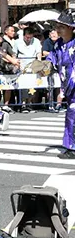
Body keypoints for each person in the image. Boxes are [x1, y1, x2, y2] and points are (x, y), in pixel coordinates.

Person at [49, 12, 75, 158]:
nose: (58, 30)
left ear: (71, 28)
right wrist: (44, 66)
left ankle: (72, 147)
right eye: (57, 27)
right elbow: (51, 61)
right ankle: (71, 145)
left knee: (72, 114)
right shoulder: (58, 44)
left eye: (62, 27)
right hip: (68, 87)